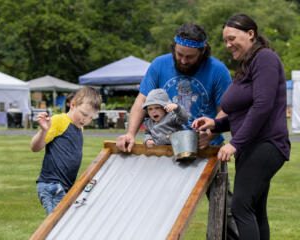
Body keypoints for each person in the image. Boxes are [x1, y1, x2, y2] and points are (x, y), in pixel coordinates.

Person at [116, 23, 239, 239]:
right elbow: (141, 101)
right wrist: (130, 134)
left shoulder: (217, 70)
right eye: (179, 54)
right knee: (161, 209)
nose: (183, 60)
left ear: (203, 50)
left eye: (190, 57)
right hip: (166, 148)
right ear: (174, 47)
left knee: (225, 210)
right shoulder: (159, 65)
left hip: (208, 148)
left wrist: (209, 132)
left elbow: (227, 111)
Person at [192, 14, 290, 240]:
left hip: (266, 145)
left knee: (240, 207)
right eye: (225, 40)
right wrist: (215, 123)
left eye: (232, 38)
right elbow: (241, 114)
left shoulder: (265, 58)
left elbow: (263, 106)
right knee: (255, 210)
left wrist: (235, 143)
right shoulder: (247, 65)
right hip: (253, 147)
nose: (228, 45)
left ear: (251, 34)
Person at [30, 86, 102, 215]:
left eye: (91, 117)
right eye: (84, 114)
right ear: (73, 105)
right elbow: (35, 147)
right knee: (57, 225)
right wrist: (44, 131)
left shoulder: (79, 127)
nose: (86, 120)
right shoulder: (59, 121)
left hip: (66, 187)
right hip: (52, 185)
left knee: (63, 224)